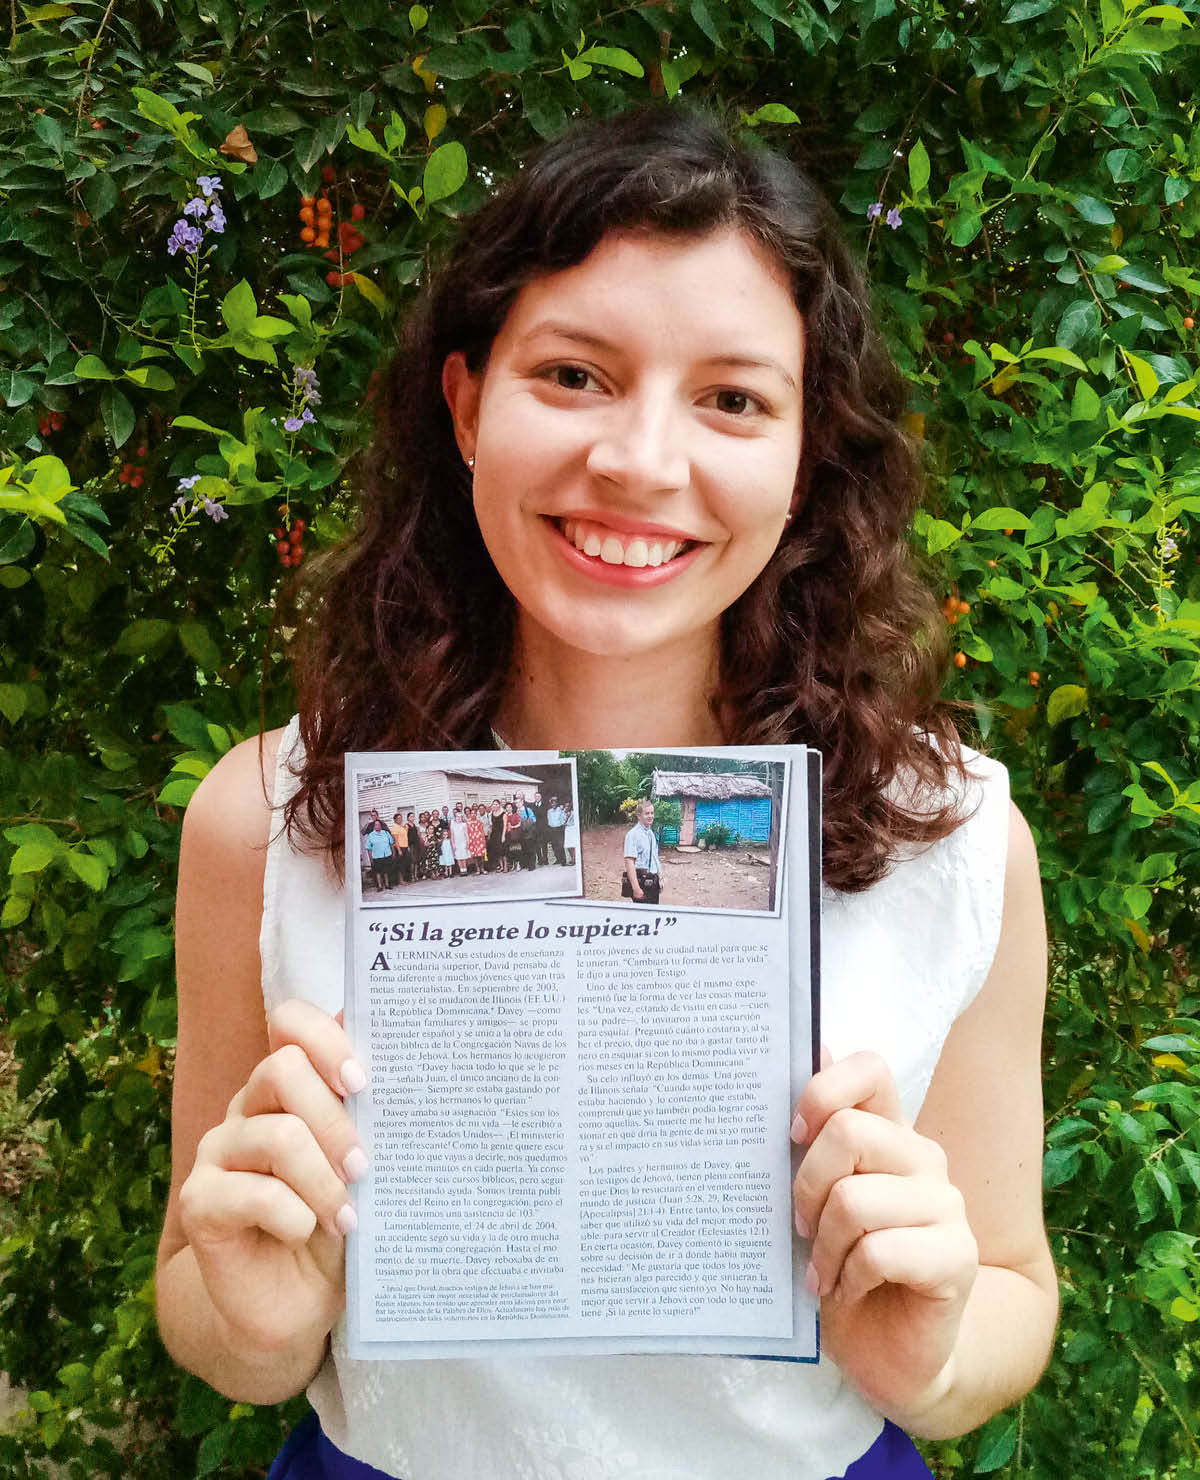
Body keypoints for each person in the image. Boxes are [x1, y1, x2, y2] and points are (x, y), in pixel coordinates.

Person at [157, 106, 1056, 1480]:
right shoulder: (269, 815)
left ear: (808, 455)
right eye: (575, 374)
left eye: (733, 398)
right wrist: (262, 1324)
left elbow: (1012, 1293)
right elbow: (204, 1299)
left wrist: (927, 1349)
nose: (641, 462)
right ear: (466, 405)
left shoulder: (955, 836)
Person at [623, 798, 661, 904]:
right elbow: (629, 862)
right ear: (639, 816)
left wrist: (660, 879)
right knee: (640, 918)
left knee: (653, 915)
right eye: (647, 813)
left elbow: (655, 858)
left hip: (653, 881)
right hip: (641, 882)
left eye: (652, 813)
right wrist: (636, 888)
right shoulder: (632, 835)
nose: (650, 816)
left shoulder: (651, 834)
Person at [362, 819, 394, 892]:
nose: (377, 826)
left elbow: (391, 843)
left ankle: (387, 884)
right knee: (378, 871)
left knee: (386, 870)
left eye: (379, 824)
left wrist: (393, 853)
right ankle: (380, 886)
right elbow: (368, 848)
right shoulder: (371, 835)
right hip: (377, 856)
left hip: (386, 855)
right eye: (376, 825)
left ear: (381, 826)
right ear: (374, 826)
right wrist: (370, 858)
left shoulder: (386, 833)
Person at [546, 794, 568, 866]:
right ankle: (558, 859)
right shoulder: (549, 811)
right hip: (552, 829)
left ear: (557, 803)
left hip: (559, 829)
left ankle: (563, 861)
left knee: (560, 845)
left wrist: (561, 825)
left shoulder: (561, 810)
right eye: (552, 802)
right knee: (554, 845)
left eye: (555, 802)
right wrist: (551, 827)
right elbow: (549, 820)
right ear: (551, 804)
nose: (553, 804)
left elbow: (564, 818)